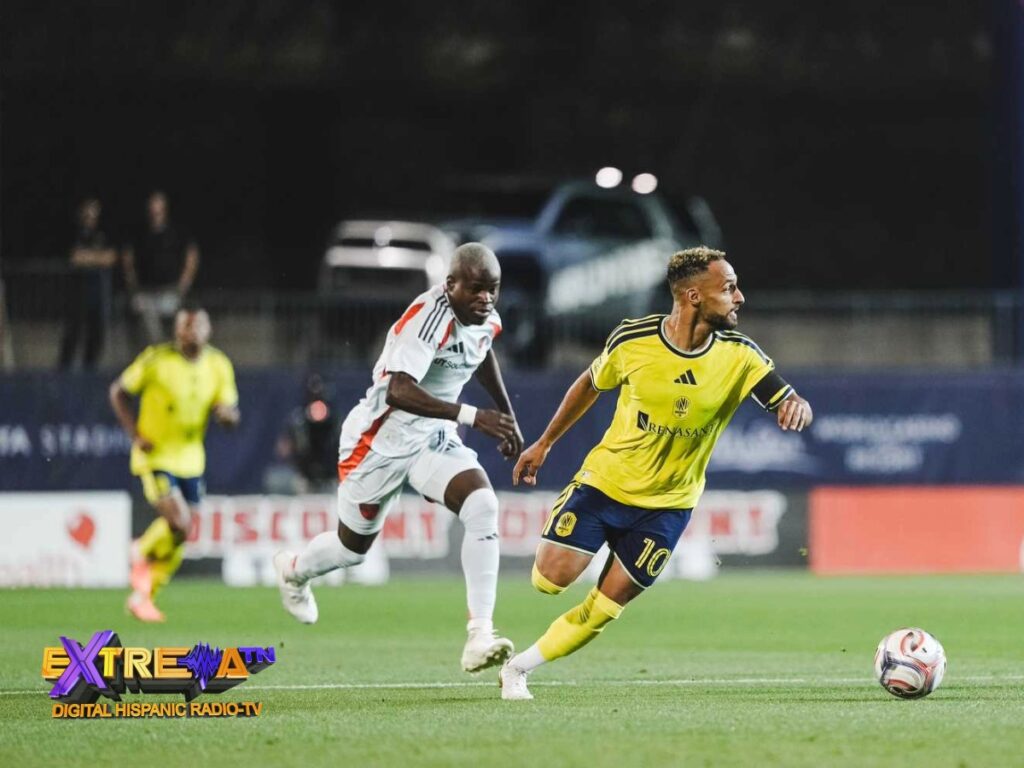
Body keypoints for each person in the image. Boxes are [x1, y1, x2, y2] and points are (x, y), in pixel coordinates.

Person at [499, 246, 813, 700]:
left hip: (668, 507)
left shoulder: (741, 355)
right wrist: (545, 443)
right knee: (550, 580)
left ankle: (519, 668)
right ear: (692, 296)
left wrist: (795, 404)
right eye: (728, 288)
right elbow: (589, 383)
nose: (740, 297)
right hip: (605, 485)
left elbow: (785, 395)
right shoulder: (633, 340)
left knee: (606, 607)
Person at [273, 242, 524, 674]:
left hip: (431, 437)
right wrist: (472, 415)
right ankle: (294, 571)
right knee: (353, 549)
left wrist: (506, 414)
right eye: (477, 289)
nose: (486, 299)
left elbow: (481, 351)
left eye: (493, 290)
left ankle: (479, 635)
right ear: (450, 285)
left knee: (482, 505)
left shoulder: (485, 317)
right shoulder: (428, 320)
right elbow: (399, 390)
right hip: (378, 441)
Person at [109, 305, 240, 621]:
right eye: (185, 326)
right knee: (179, 522)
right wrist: (135, 434)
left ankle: (145, 593)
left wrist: (227, 416)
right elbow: (118, 392)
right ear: (177, 330)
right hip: (155, 456)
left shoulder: (218, 365)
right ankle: (141, 550)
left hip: (192, 459)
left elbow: (232, 413)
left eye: (198, 326)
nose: (191, 331)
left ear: (208, 330)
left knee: (184, 531)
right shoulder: (156, 360)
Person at [121, 190, 200, 344]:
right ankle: (157, 352)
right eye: (152, 207)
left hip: (170, 290)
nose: (155, 211)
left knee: (176, 326)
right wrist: (132, 283)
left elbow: (192, 254)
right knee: (144, 318)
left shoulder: (177, 231)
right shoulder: (139, 232)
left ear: (164, 208)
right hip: (145, 291)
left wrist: (185, 282)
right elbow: (127, 257)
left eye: (158, 207)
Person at [58, 197, 117, 369]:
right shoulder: (74, 233)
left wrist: (88, 257)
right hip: (77, 293)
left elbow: (111, 257)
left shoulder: (103, 234)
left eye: (94, 213)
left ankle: (90, 370)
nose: (90, 217)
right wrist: (96, 257)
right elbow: (75, 257)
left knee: (96, 335)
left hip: (98, 294)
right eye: (87, 213)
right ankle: (63, 371)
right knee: (73, 334)